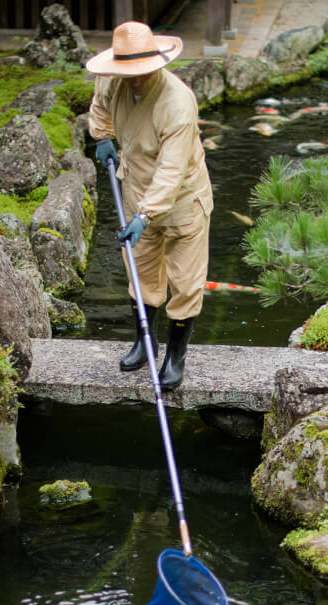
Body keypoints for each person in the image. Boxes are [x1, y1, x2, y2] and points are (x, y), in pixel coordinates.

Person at [86, 21, 213, 391]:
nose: (133, 79)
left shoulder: (178, 103)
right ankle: (144, 340)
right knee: (139, 272)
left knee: (186, 282)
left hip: (182, 198)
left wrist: (145, 214)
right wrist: (103, 136)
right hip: (136, 186)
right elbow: (100, 107)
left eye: (139, 72)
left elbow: (172, 171)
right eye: (127, 72)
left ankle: (176, 354)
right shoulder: (113, 79)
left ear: (157, 63)